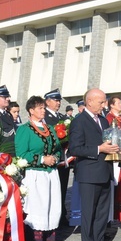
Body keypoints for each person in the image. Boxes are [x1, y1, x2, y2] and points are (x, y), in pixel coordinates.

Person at [68, 88, 121, 241]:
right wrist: (100, 149)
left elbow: (108, 142)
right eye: (101, 102)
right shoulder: (79, 121)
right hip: (89, 174)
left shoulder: (103, 121)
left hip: (104, 172)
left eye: (104, 102)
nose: (104, 105)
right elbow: (75, 148)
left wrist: (116, 148)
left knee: (102, 213)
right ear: (90, 101)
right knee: (89, 213)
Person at [16, 96, 63, 241]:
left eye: (44, 108)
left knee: (53, 204)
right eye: (40, 108)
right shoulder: (24, 129)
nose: (43, 111)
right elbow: (21, 154)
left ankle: (50, 239)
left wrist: (54, 158)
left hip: (51, 173)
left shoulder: (49, 128)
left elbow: (58, 149)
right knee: (38, 206)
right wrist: (43, 159)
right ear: (31, 110)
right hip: (35, 173)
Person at [43, 89, 70, 228]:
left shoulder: (61, 116)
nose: (58, 103)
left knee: (63, 187)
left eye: (59, 100)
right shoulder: (45, 117)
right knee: (53, 189)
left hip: (63, 158)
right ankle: (54, 216)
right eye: (55, 100)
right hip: (52, 158)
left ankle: (62, 213)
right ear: (48, 102)